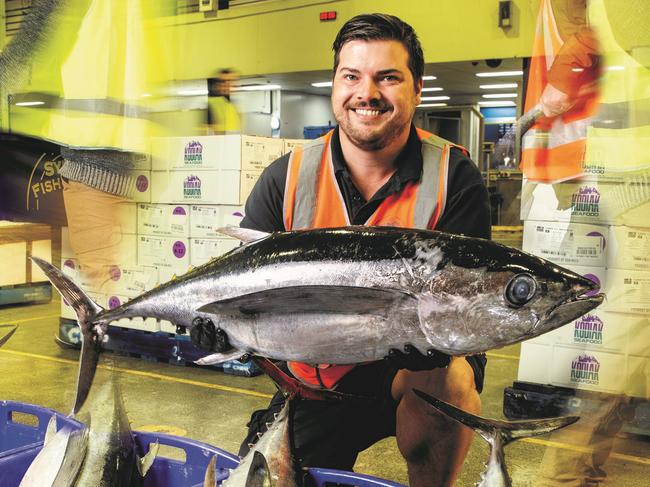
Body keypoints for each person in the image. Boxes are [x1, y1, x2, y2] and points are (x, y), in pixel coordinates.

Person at [196, 14, 491, 486]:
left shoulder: (454, 177)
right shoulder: (286, 177)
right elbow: (245, 288)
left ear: (417, 89)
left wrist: (428, 344)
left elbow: (469, 301)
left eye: (387, 77)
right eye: (351, 76)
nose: (366, 92)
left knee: (450, 384)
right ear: (335, 85)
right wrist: (225, 329)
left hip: (415, 370)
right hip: (316, 377)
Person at [206, 68, 241, 135]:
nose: (227, 84)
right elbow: (215, 132)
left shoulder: (232, 104)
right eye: (224, 81)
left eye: (231, 81)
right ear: (218, 84)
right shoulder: (213, 104)